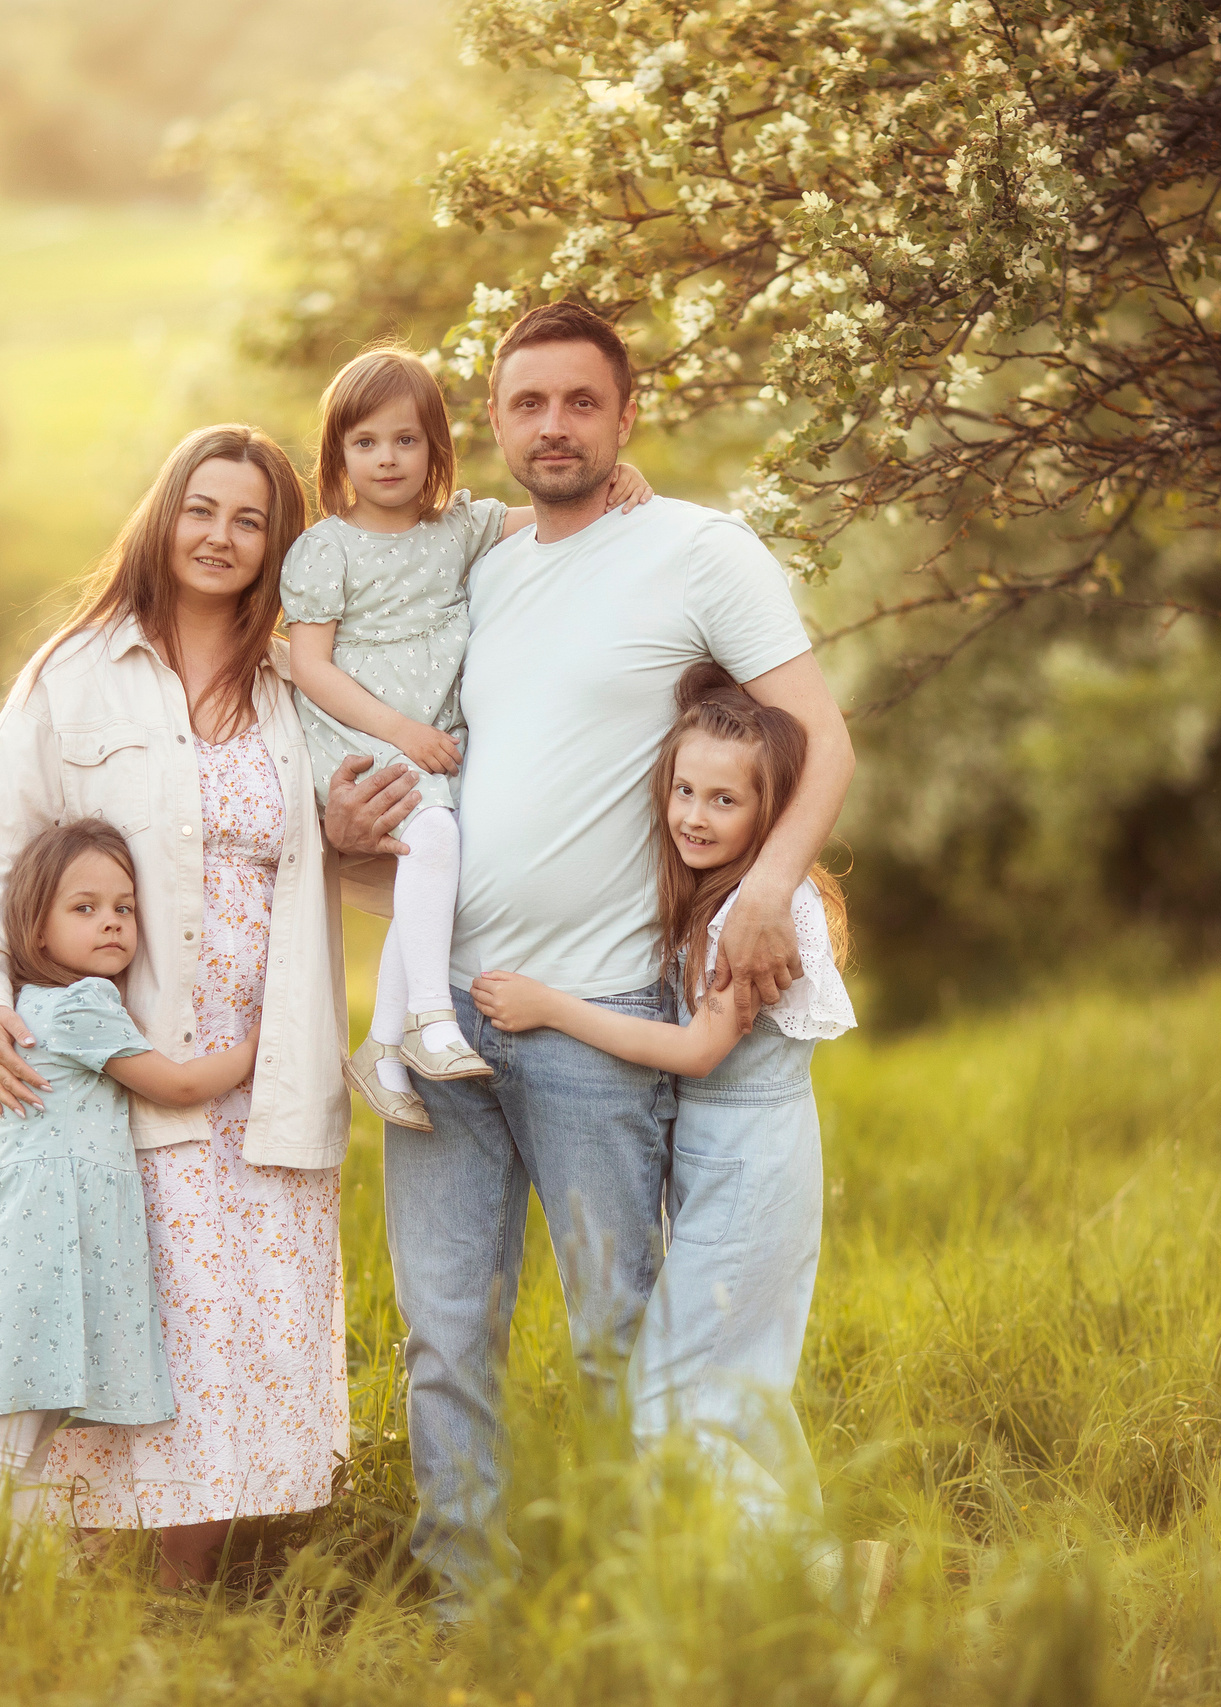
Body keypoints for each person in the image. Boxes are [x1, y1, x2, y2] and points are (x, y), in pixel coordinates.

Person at [320, 302, 855, 1614]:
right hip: (443, 1009)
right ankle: (470, 1602)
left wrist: (772, 886)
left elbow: (822, 740)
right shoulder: (477, 562)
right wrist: (341, 836)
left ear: (626, 415)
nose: (551, 425)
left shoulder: (696, 549)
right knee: (445, 1334)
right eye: (525, 403)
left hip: (598, 1020)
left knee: (621, 1332)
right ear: (491, 424)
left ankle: (649, 1594)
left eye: (578, 401)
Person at [0, 424, 373, 1589]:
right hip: (124, 1064)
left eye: (250, 520)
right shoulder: (75, 672)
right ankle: (72, 1585)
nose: (222, 538)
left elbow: (364, 846)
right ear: (164, 517)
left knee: (236, 1336)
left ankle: (186, 1594)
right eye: (203, 509)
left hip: (266, 1061)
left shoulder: (301, 687)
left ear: (278, 543)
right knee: (128, 1315)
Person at [471, 662, 854, 1559]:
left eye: (724, 800)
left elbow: (698, 1051)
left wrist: (552, 1006)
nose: (693, 814)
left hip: (752, 1175)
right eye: (684, 789)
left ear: (773, 813)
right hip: (735, 1166)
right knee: (739, 1384)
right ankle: (784, 1572)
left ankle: (812, 1580)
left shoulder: (756, 914)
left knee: (672, 1394)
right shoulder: (716, 897)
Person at [280, 343, 649, 1131]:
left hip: (428, 742)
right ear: (338, 452)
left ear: (435, 449)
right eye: (366, 442)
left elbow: (547, 512)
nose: (387, 458)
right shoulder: (325, 548)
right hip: (357, 732)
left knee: (437, 868)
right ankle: (426, 1020)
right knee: (437, 834)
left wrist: (623, 480)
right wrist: (401, 732)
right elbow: (310, 667)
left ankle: (381, 1047)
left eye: (406, 440)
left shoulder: (457, 532)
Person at [0, 817, 260, 1565]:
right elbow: (176, 1084)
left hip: (35, 1253)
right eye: (83, 907)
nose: (111, 920)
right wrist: (255, 1046)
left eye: (123, 905)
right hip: (40, 1256)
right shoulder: (79, 1004)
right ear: (37, 929)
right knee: (3, 1443)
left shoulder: (33, 1004)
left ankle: (3, 1587)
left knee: (19, 1440)